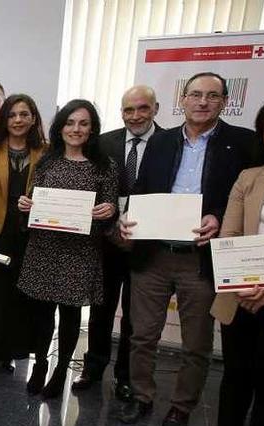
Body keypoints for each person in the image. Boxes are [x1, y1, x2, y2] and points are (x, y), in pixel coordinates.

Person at [118, 72, 257, 426]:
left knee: (196, 343)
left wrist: (221, 217)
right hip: (154, 255)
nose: (202, 102)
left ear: (224, 101)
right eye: (195, 94)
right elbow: (143, 192)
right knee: (142, 336)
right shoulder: (160, 142)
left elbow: (253, 196)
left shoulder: (242, 143)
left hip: (202, 258)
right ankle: (143, 396)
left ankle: (181, 408)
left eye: (212, 96)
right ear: (182, 99)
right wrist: (129, 220)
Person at [190, 99, 264, 426]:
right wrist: (244, 282)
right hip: (239, 290)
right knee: (235, 374)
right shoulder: (250, 176)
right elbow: (231, 235)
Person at [16, 99, 118, 399]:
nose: (76, 129)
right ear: (60, 128)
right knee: (42, 314)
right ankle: (40, 365)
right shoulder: (47, 161)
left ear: (92, 129)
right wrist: (25, 206)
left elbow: (110, 209)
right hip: (44, 249)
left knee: (71, 317)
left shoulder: (105, 166)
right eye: (70, 123)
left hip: (80, 252)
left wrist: (108, 210)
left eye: (83, 123)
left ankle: (61, 371)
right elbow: (34, 202)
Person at [72, 85, 163, 401]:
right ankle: (93, 368)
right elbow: (91, 190)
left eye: (142, 108)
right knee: (101, 310)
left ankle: (126, 377)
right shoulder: (104, 142)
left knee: (136, 317)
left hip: (148, 246)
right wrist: (110, 227)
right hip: (107, 242)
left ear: (155, 109)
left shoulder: (169, 143)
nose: (135, 115)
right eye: (128, 110)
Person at [0, 93, 47, 372]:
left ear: (33, 118)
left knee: (22, 297)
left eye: (24, 114)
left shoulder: (46, 153)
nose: (18, 120)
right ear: (5, 119)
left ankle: (14, 352)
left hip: (31, 237)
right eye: (13, 115)